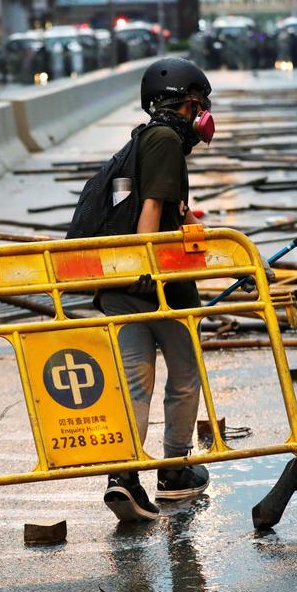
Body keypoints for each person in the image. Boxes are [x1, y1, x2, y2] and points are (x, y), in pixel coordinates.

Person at [96, 58, 215, 522]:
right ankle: (174, 471)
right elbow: (150, 208)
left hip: (122, 283)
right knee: (185, 374)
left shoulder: (143, 138)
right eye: (199, 107)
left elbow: (169, 208)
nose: (202, 117)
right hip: (158, 284)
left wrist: (192, 226)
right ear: (188, 104)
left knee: (134, 383)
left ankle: (123, 478)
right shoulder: (167, 141)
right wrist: (150, 264)